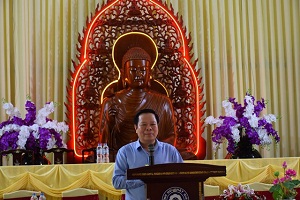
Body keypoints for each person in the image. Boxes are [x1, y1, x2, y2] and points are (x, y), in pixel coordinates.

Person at [99, 32, 176, 154]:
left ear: (150, 73)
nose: (139, 75)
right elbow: (103, 145)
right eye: (133, 70)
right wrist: (110, 125)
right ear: (124, 73)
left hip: (153, 154)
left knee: (187, 156)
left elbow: (171, 137)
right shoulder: (111, 102)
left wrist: (151, 148)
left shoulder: (163, 102)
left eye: (143, 70)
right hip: (122, 155)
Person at [112, 108, 183, 200]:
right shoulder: (125, 152)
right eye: (143, 125)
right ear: (136, 128)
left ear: (158, 126)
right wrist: (141, 179)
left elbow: (183, 176)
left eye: (153, 124)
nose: (149, 128)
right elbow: (116, 182)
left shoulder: (170, 151)